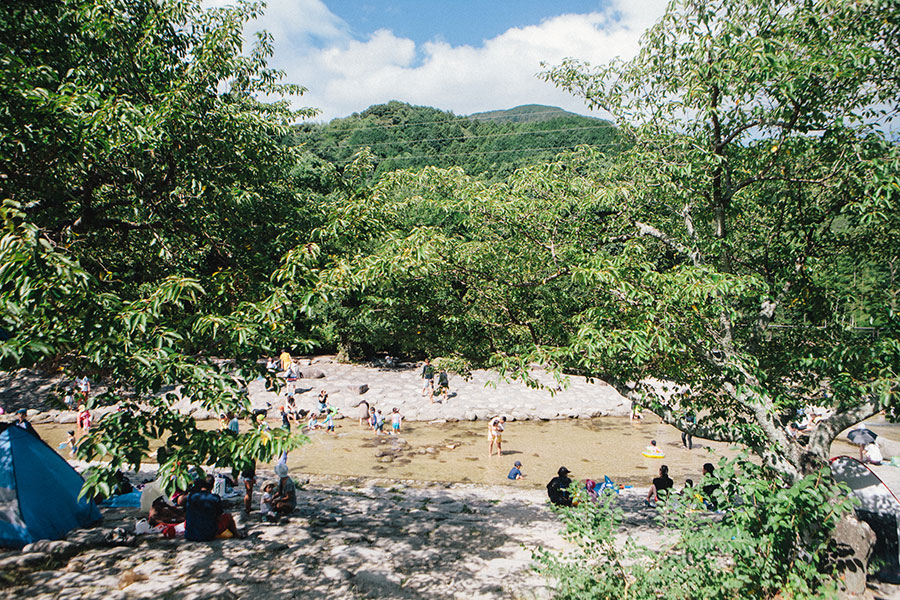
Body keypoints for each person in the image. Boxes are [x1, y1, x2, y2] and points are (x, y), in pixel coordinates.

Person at [184, 476, 243, 541]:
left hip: (190, 534)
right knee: (228, 517)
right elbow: (219, 517)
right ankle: (237, 534)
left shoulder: (191, 496)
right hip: (208, 535)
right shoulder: (215, 498)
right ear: (212, 486)